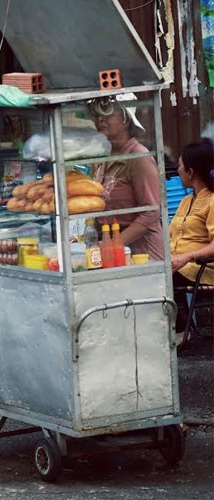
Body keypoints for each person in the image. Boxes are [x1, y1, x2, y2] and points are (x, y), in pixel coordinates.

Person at [91, 94, 164, 261]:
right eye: (97, 115)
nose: (100, 119)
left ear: (126, 120)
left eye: (108, 114)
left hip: (142, 254)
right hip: (113, 250)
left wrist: (115, 243)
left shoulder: (138, 156)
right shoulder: (104, 157)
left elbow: (151, 212)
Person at [169, 138, 214, 346]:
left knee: (163, 278)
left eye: (179, 165)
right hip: (178, 264)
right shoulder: (187, 200)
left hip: (202, 266)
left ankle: (180, 330)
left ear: (191, 171)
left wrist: (187, 257)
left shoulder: (212, 201)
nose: (177, 169)